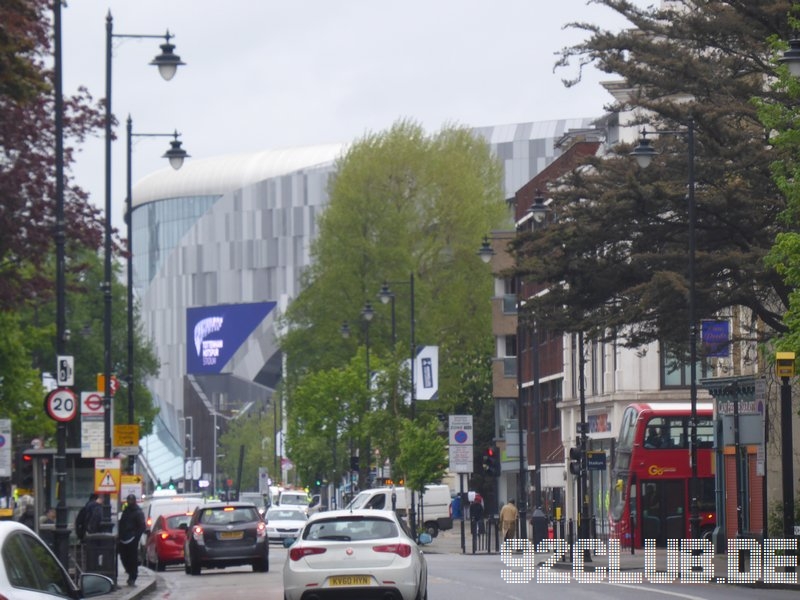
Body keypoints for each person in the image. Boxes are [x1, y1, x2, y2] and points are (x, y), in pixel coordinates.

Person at [117, 494, 146, 587]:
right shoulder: (126, 511)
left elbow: (142, 526)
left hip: (132, 539)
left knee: (132, 559)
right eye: (128, 500)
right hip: (123, 539)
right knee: (123, 558)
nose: (129, 501)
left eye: (131, 500)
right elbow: (121, 524)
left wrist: (135, 537)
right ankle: (129, 572)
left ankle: (132, 577)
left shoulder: (138, 512)